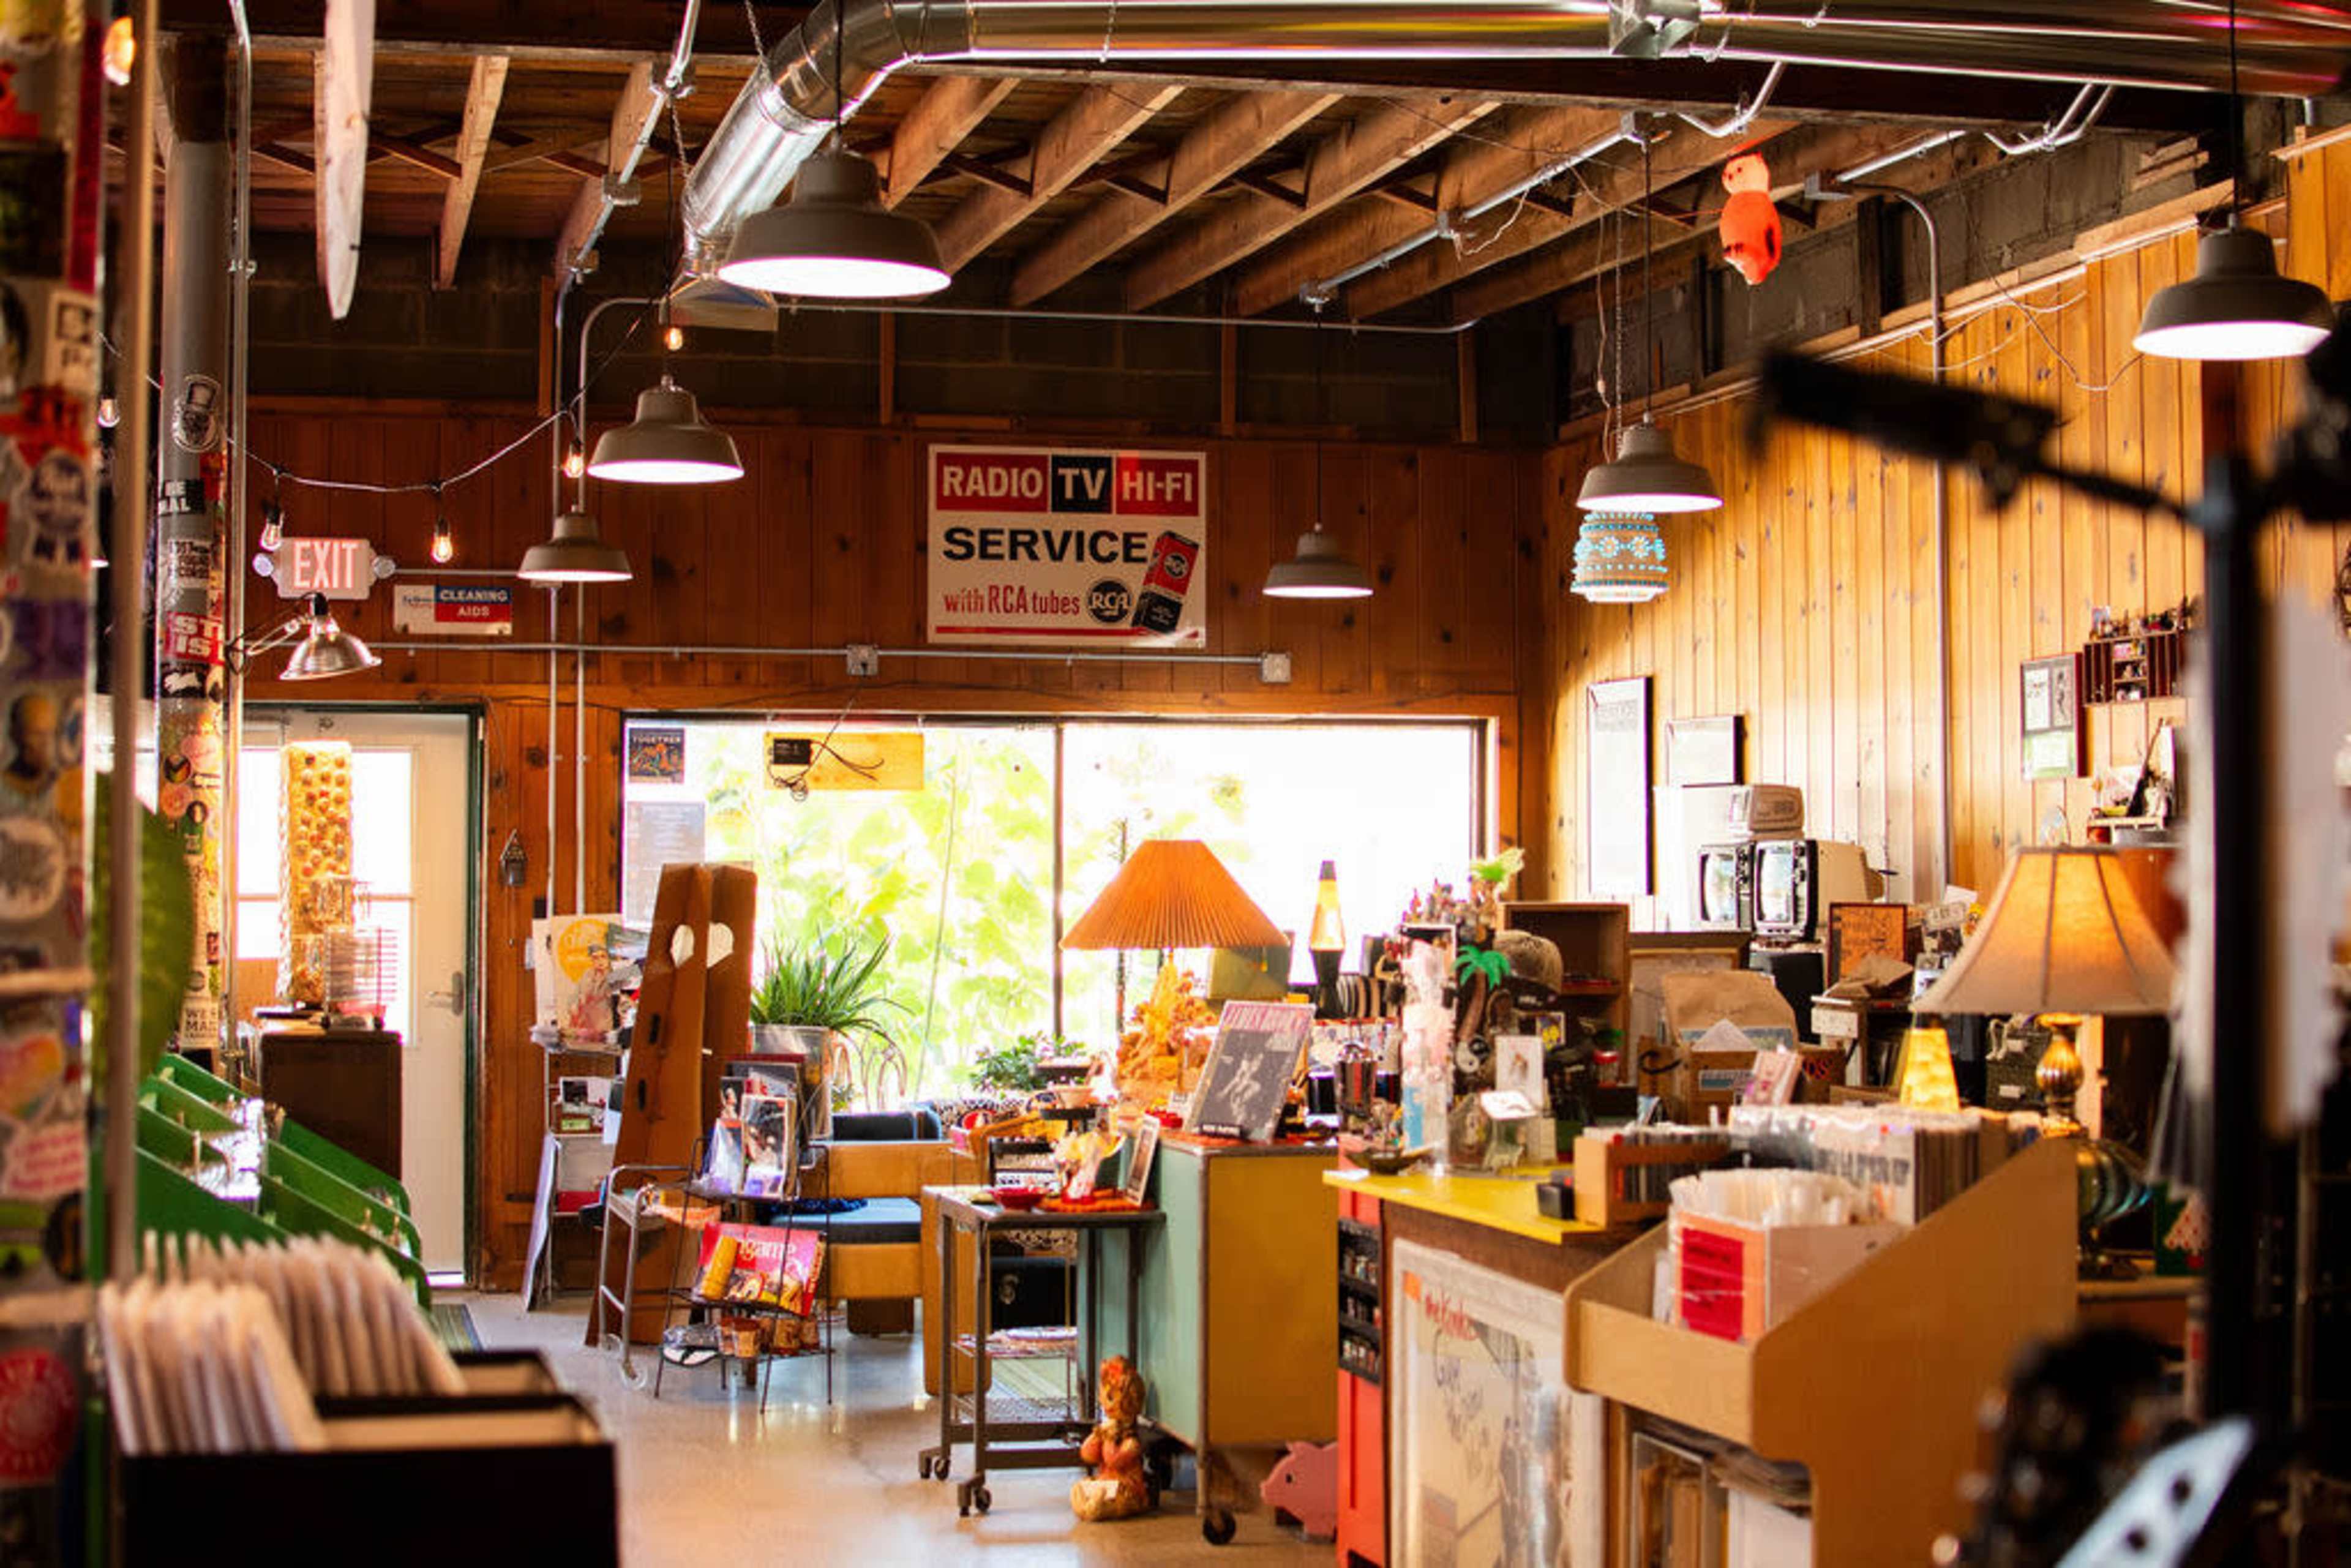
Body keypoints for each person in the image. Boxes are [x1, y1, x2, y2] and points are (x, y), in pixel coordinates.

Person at [2, 692, 57, 798]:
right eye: (37, 734)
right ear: (15, 735)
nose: (46, 743)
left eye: (50, 733)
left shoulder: (63, 786)